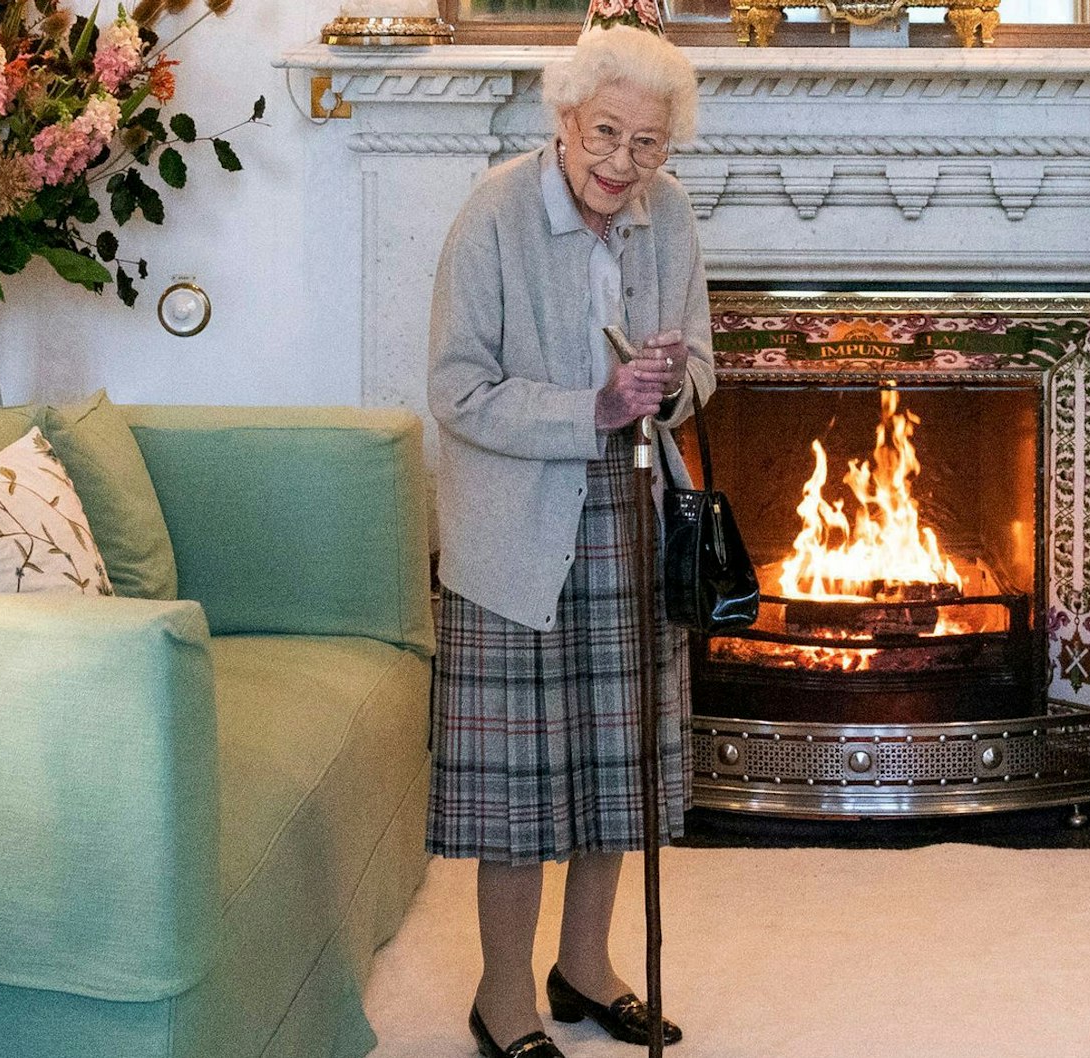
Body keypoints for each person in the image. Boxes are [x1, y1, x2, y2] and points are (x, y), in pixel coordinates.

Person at [424, 24, 712, 1058]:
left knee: (612, 762)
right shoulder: (495, 213)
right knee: (517, 787)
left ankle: (583, 966)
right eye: (605, 134)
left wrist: (669, 386)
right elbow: (455, 391)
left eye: (647, 144)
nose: (622, 164)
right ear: (563, 119)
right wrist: (591, 407)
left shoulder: (667, 217)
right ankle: (502, 995)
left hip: (630, 517)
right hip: (513, 530)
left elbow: (700, 370)